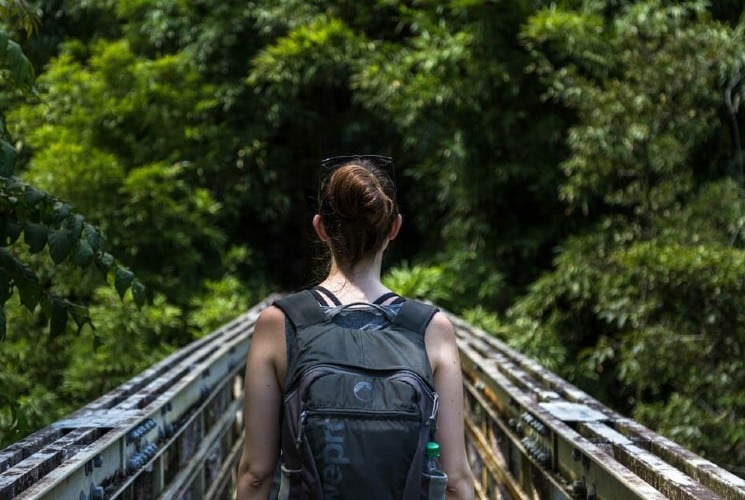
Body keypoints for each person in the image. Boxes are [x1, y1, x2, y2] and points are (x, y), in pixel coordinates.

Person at [237, 155, 474, 500]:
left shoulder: (280, 323)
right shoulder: (431, 328)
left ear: (320, 228)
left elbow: (256, 474)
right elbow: (455, 479)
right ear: (394, 228)